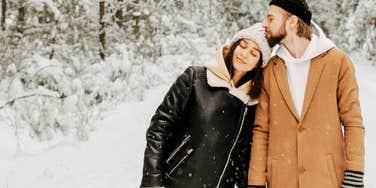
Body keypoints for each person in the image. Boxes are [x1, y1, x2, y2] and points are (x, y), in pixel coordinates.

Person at [247, 1, 365, 188]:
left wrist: (354, 173)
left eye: (271, 18)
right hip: (281, 181)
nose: (265, 24)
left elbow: (353, 122)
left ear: (292, 22)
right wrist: (256, 182)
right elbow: (262, 130)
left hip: (327, 180)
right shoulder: (270, 69)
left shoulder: (338, 61)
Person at [140, 23, 271, 188]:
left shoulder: (251, 104)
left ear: (259, 64)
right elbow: (158, 129)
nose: (244, 54)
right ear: (234, 46)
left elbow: (242, 159)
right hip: (173, 182)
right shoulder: (195, 78)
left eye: (253, 53)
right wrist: (151, 179)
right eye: (243, 46)